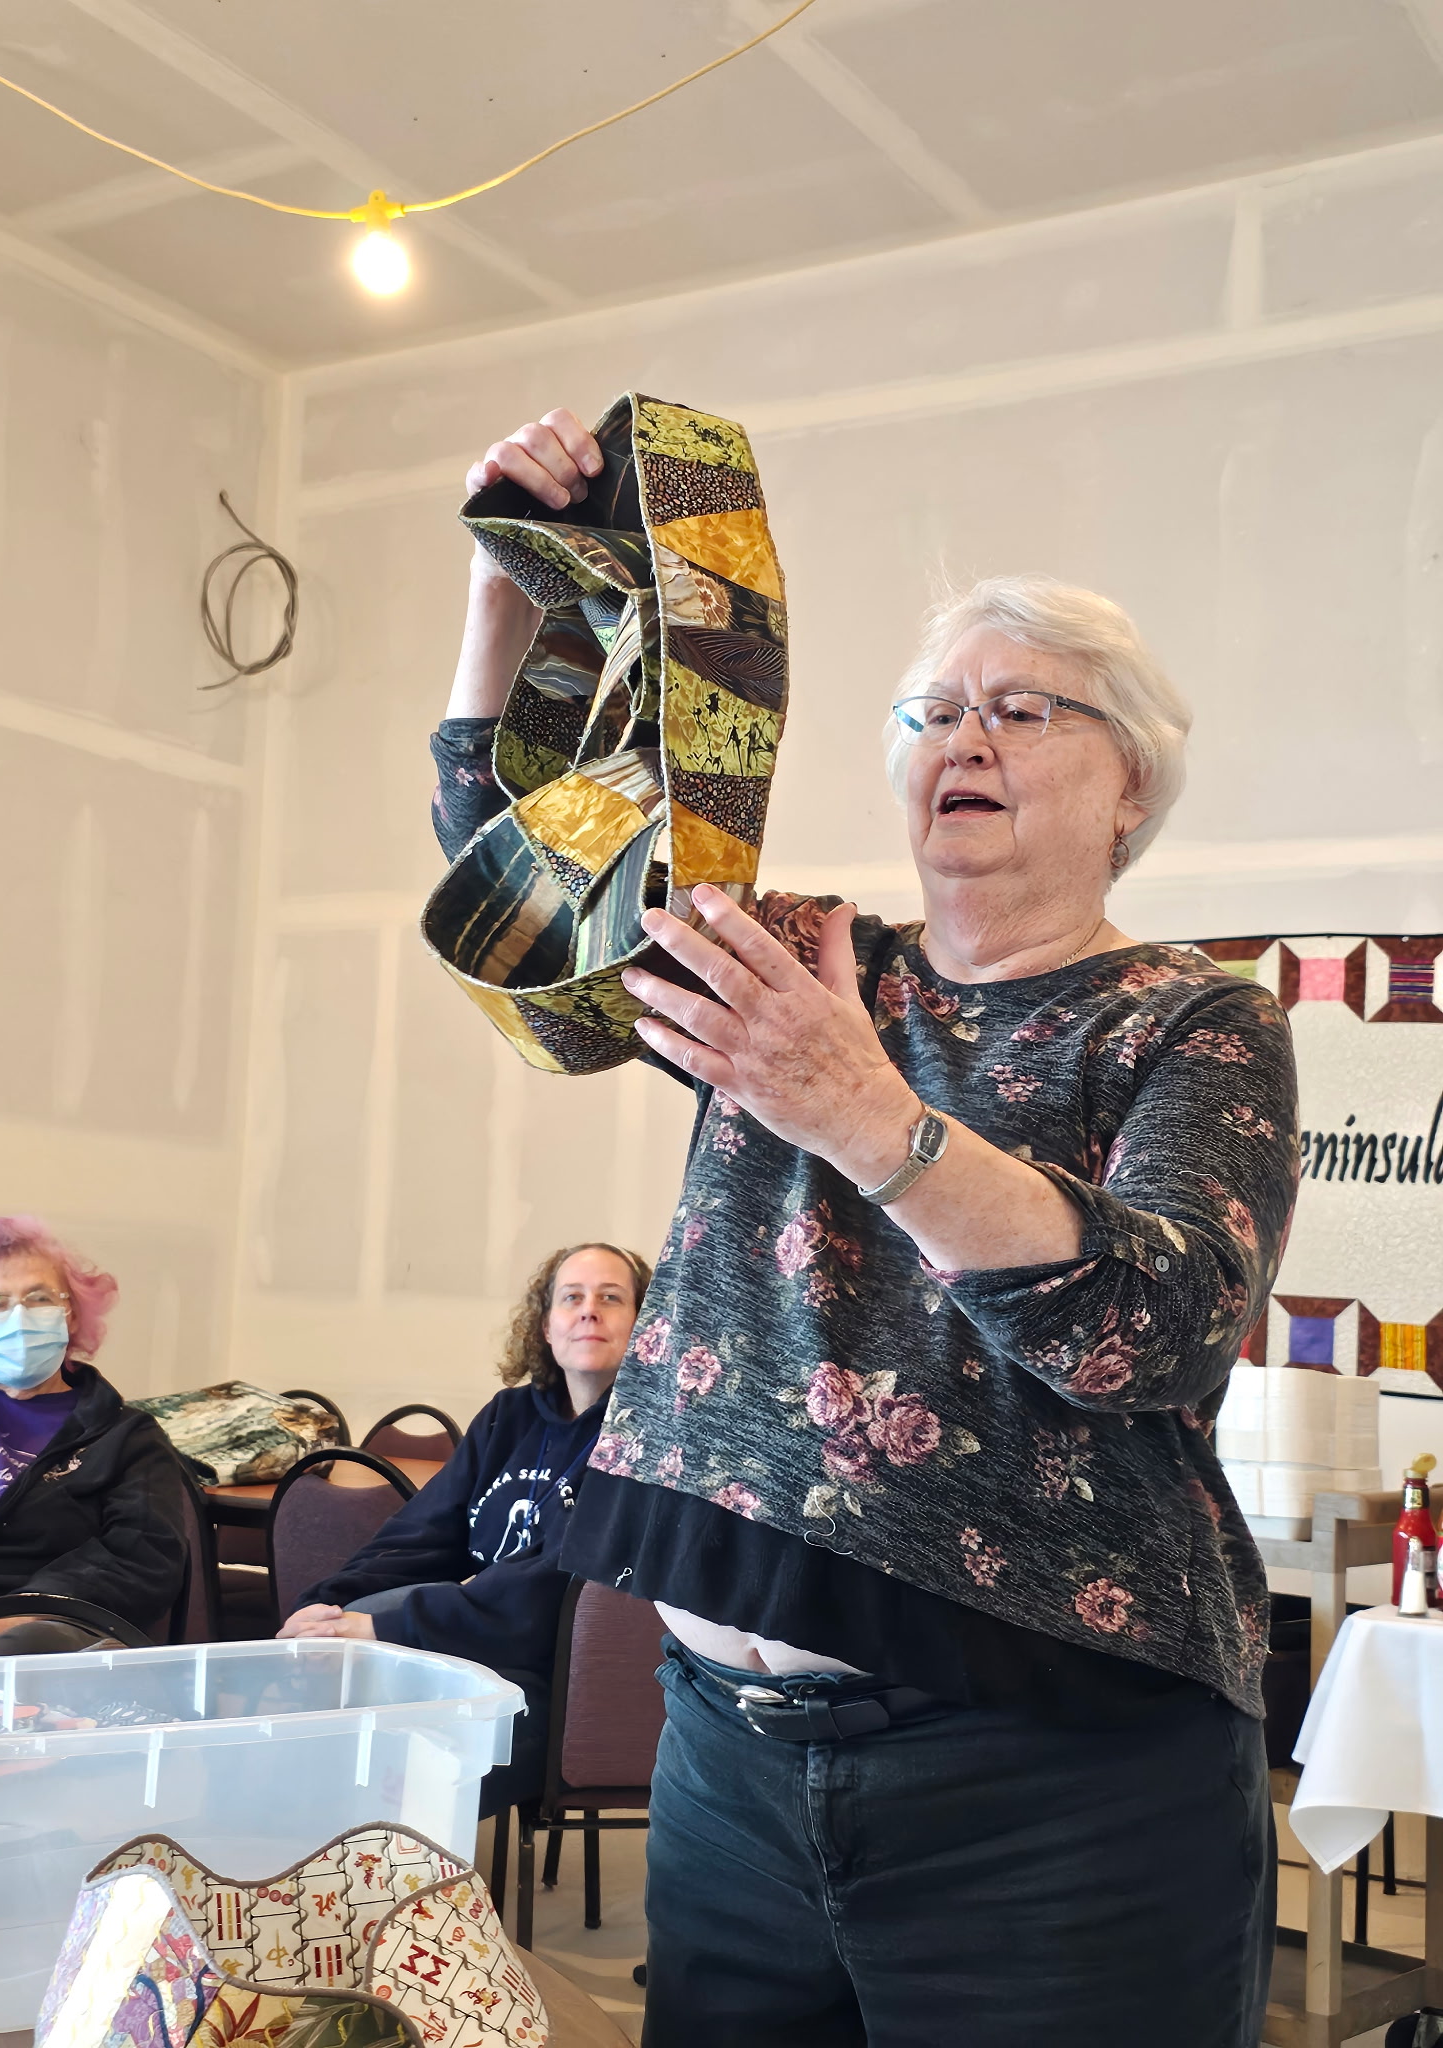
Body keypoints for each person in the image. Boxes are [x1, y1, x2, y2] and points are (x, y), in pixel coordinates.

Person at [428, 412, 1302, 2048]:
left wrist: (858, 1109)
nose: (962, 734)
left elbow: (1156, 1328)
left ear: (1129, 786)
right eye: (930, 711)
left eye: (1020, 707)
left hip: (1049, 1791)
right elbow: (532, 913)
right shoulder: (805, 955)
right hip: (726, 1764)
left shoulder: (1189, 1020)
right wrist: (510, 588)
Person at [278, 1241, 651, 1816]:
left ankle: (391, 1865)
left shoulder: (646, 1440)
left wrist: (389, 1624)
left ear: (647, 1324)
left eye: (611, 1298)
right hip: (465, 1650)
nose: (588, 1312)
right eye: (571, 1297)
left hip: (555, 1677)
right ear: (546, 1326)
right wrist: (328, 1605)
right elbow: (421, 1534)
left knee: (398, 1754)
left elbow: (555, 1586)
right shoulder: (509, 1416)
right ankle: (327, 1860)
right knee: (322, 1691)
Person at [0, 1216, 187, 1654]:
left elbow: (144, 1558)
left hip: (35, 1626)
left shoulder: (125, 1436)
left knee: (33, 1648)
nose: (18, 1317)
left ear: (70, 1316)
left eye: (39, 1298)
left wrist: (20, 1613)